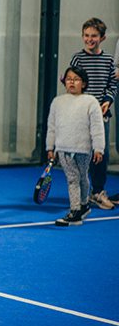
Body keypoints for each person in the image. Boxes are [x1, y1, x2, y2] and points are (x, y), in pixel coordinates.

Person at [47, 66, 106, 226]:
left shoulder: (91, 102)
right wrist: (50, 147)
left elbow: (97, 127)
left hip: (83, 149)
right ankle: (75, 211)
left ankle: (84, 205)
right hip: (63, 149)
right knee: (73, 178)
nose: (72, 82)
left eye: (76, 79)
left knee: (82, 177)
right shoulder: (57, 102)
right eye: (68, 79)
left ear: (84, 83)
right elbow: (51, 126)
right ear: (64, 82)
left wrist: (99, 148)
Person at [69, 18, 116, 209]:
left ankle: (97, 191)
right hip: (80, 116)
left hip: (101, 116)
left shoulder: (108, 60)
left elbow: (113, 84)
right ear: (82, 36)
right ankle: (80, 192)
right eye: (86, 36)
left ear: (102, 38)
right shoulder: (77, 59)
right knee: (80, 154)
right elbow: (71, 83)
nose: (90, 39)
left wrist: (107, 101)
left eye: (94, 36)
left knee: (100, 154)